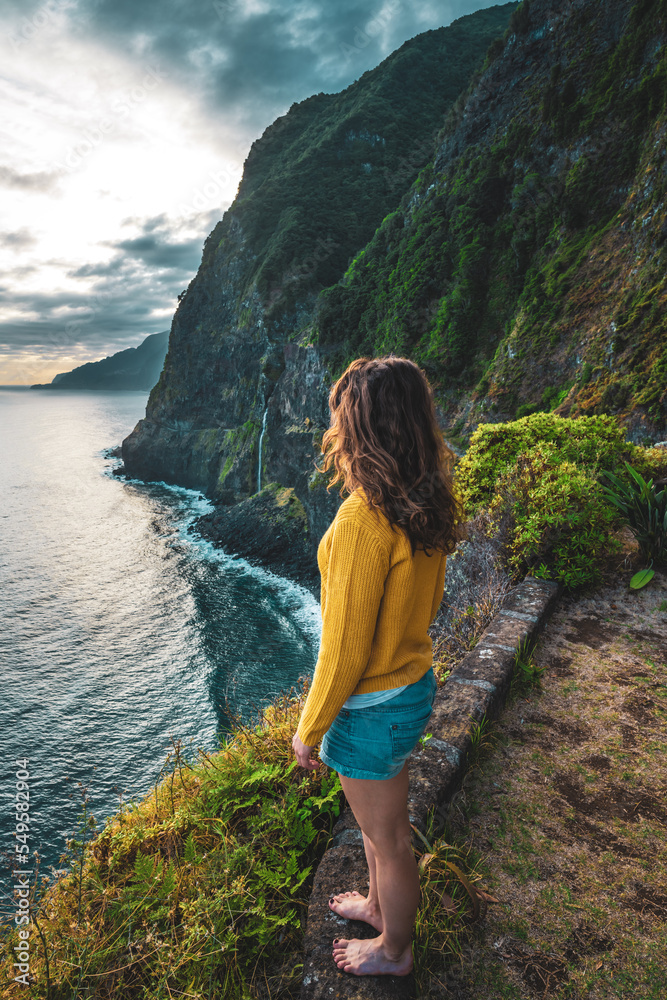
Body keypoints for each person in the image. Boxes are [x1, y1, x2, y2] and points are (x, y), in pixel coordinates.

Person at [291, 355, 461, 977]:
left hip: (370, 707)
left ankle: (394, 951)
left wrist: (309, 728)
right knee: (376, 827)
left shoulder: (363, 519)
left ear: (359, 429)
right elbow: (432, 603)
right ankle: (377, 908)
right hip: (410, 687)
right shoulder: (427, 502)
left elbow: (343, 650)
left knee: (389, 841)